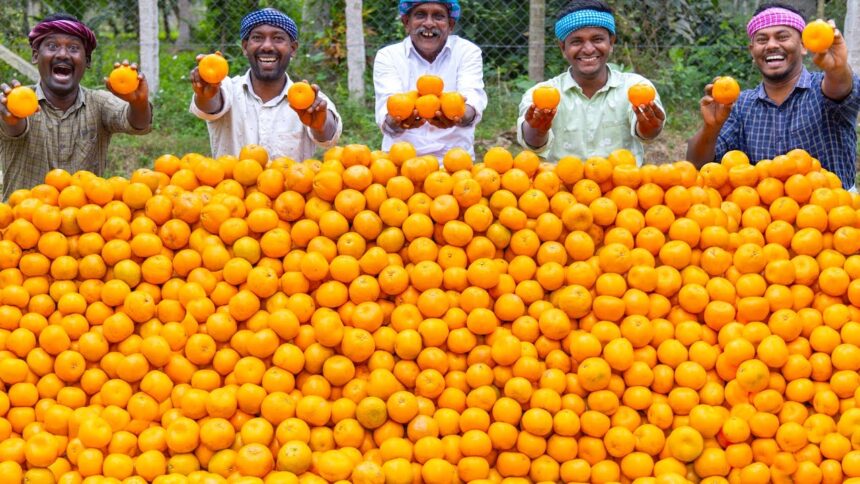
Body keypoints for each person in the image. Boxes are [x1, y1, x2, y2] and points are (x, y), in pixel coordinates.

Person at [686, 3, 860, 188]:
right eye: (762, 40)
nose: (771, 45)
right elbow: (698, 165)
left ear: (803, 45)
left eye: (782, 36)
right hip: (762, 214)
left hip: (835, 211)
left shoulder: (822, 89)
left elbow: (839, 88)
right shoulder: (740, 105)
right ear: (752, 52)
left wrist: (838, 69)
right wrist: (711, 128)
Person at [0, 13, 152, 200]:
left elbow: (138, 123)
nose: (63, 54)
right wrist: (10, 118)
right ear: (35, 55)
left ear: (87, 61)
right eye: (52, 46)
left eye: (73, 48)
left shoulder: (99, 103)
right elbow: (13, 126)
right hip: (21, 223)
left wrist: (138, 102)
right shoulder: (15, 105)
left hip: (85, 224)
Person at [517, 0, 665, 165]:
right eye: (576, 41)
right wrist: (538, 129)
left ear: (611, 43)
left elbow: (648, 133)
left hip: (622, 186)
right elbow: (532, 143)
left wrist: (650, 126)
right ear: (562, 48)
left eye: (597, 39)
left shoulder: (634, 87)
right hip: (559, 187)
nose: (588, 49)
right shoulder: (539, 95)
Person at [190, 8, 342, 161]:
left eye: (278, 38)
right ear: (244, 46)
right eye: (257, 38)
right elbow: (211, 103)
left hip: (292, 185)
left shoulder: (310, 101)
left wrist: (320, 124)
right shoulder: (227, 89)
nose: (267, 46)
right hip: (230, 185)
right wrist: (205, 93)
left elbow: (329, 135)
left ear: (293, 49)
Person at [373, 0, 487, 159]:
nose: (428, 23)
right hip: (401, 165)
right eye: (420, 14)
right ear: (406, 22)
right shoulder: (388, 56)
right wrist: (397, 120)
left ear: (451, 25)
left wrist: (460, 116)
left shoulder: (467, 52)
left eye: (438, 16)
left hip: (455, 163)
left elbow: (472, 99)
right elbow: (388, 112)